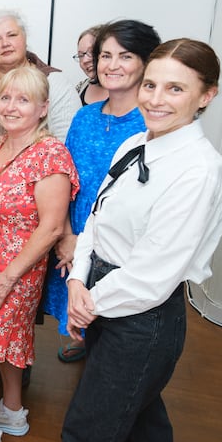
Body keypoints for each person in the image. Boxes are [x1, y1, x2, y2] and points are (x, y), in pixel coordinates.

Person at [60, 38, 222, 442]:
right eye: (150, 85)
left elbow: (152, 276)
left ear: (207, 95)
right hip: (101, 293)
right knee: (139, 422)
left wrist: (88, 304)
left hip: (143, 317)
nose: (155, 100)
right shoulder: (135, 143)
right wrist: (75, 282)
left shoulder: (201, 171)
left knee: (87, 432)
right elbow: (96, 221)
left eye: (175, 89)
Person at [0, 66, 79, 442]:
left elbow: (52, 228)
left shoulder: (50, 154)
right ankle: (13, 412)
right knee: (4, 344)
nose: (11, 106)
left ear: (42, 108)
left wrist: (8, 277)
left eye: (23, 99)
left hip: (15, 273)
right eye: (6, 97)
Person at [45, 20, 160, 364]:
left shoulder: (154, 124)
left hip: (122, 253)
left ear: (146, 62)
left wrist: (87, 244)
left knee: (118, 347)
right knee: (88, 331)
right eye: (105, 55)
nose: (112, 65)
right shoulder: (85, 117)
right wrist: (66, 235)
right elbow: (63, 179)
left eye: (125, 56)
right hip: (73, 243)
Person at [0, 9, 81, 174]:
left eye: (12, 35)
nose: (5, 43)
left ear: (25, 38)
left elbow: (68, 148)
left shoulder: (56, 85)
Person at [73, 25, 108, 106]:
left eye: (91, 52)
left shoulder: (124, 91)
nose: (85, 60)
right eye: (81, 55)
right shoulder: (80, 88)